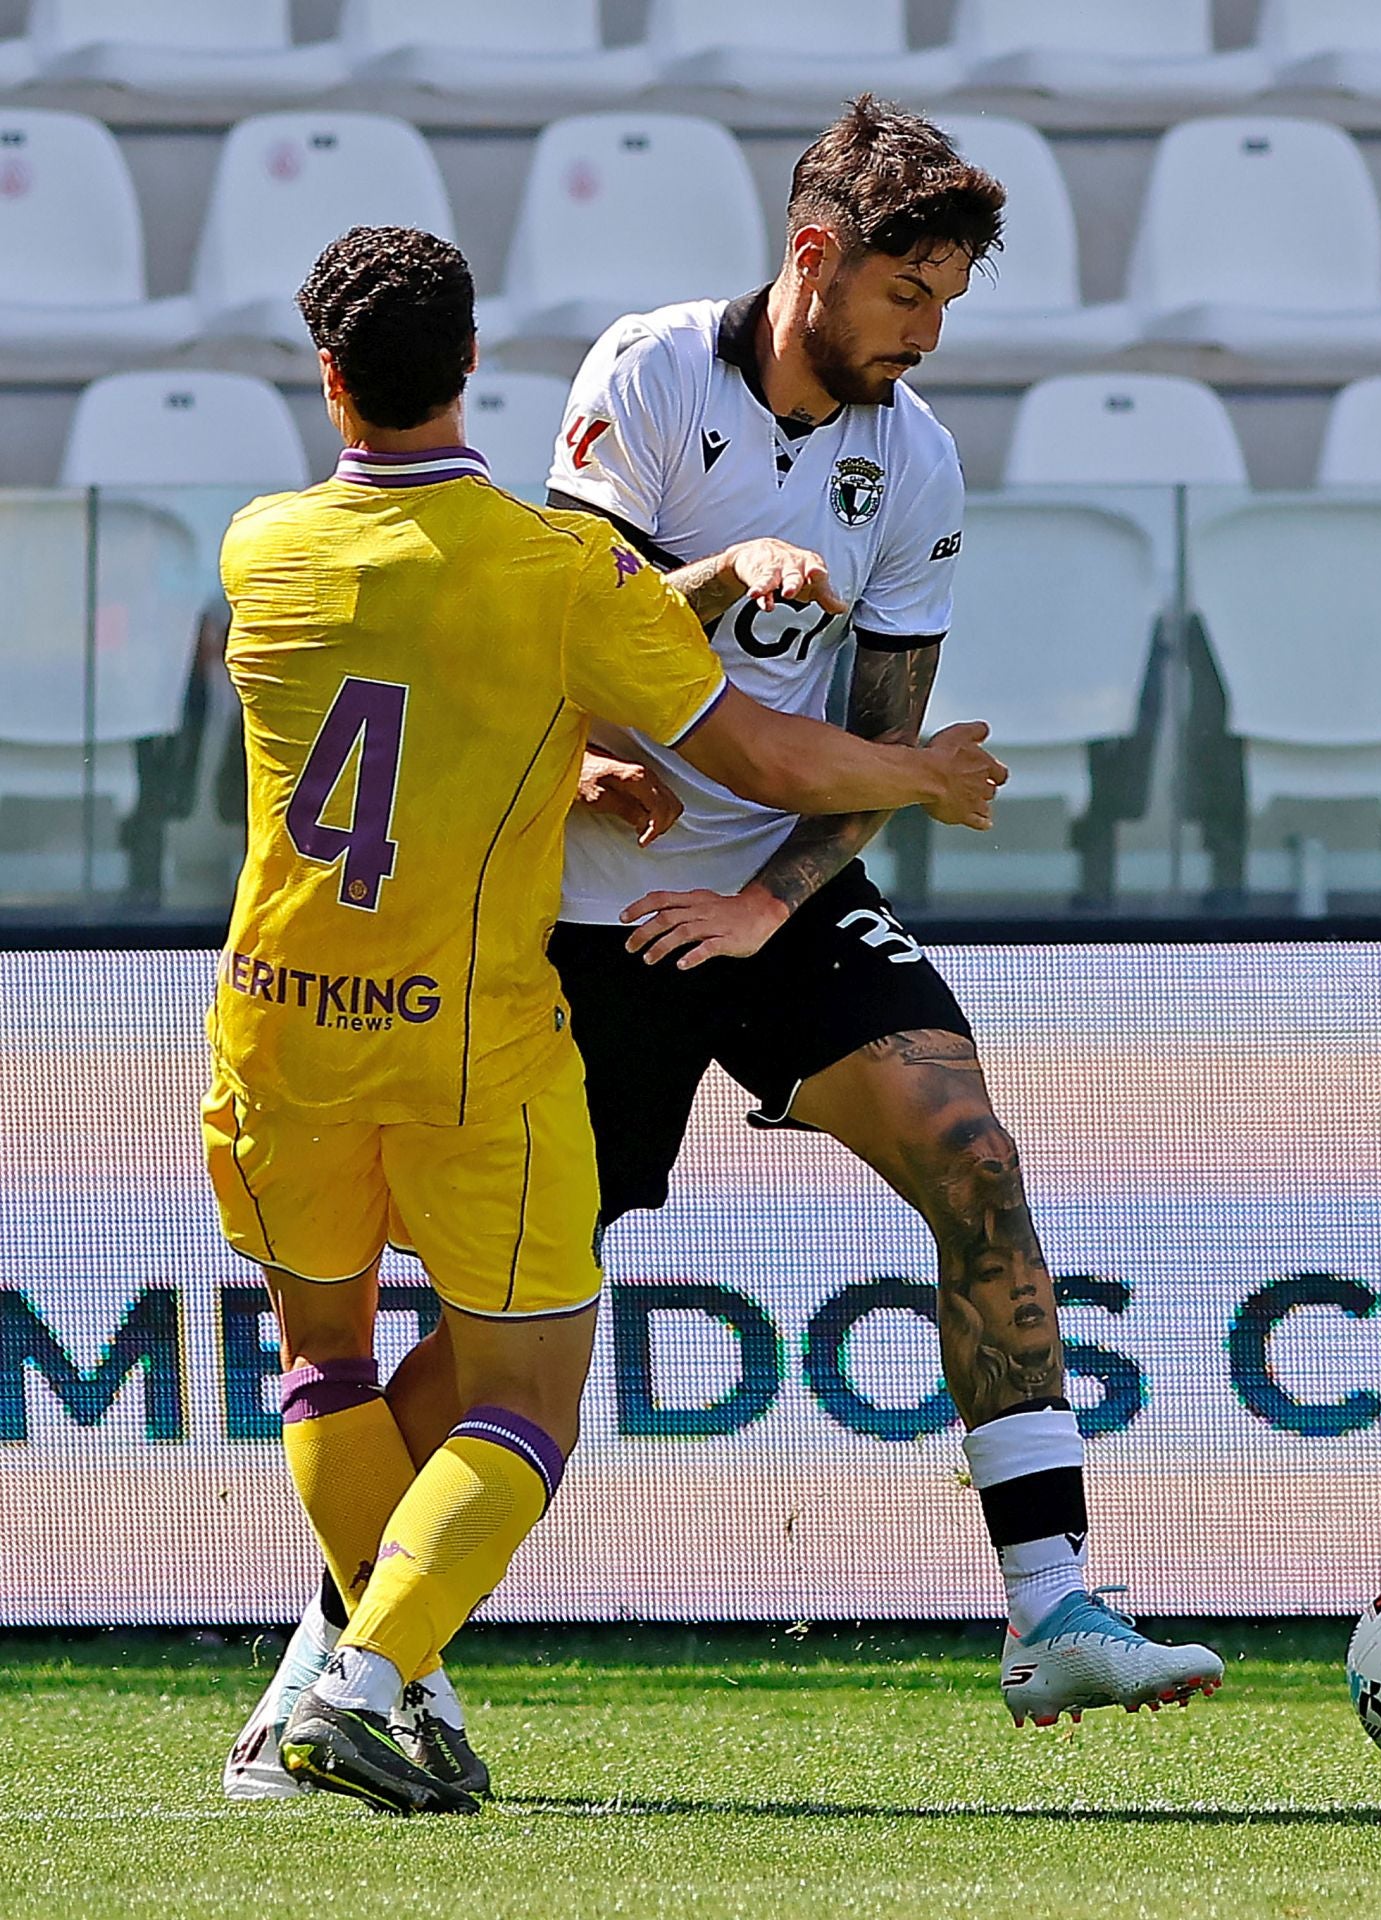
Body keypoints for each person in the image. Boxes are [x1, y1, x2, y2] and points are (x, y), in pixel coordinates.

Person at [228, 98, 1221, 1800]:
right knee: (492, 1346)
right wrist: (710, 598)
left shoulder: (913, 462)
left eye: (950, 300)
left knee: (970, 1154)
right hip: (588, 908)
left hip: (772, 888)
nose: (929, 330)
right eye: (911, 292)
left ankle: (1052, 1598)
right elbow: (560, 616)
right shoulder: (650, 374)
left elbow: (875, 732)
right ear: (814, 257)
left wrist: (780, 889)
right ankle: (334, 1662)